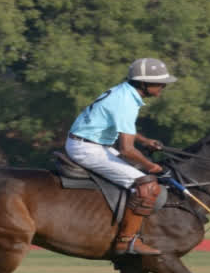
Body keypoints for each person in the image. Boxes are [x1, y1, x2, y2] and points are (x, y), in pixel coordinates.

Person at [65, 57, 176, 256]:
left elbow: (121, 127)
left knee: (141, 175)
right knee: (147, 185)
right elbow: (126, 150)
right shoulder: (125, 101)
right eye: (160, 83)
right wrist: (152, 167)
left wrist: (144, 141)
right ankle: (127, 241)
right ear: (143, 83)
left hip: (93, 143)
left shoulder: (124, 92)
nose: (163, 87)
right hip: (87, 148)